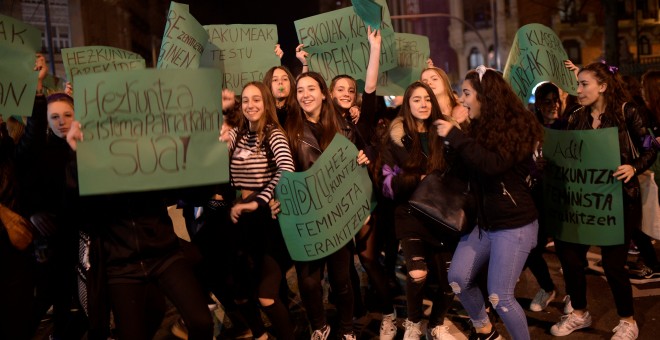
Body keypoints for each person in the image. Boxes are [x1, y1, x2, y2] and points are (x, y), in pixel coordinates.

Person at [550, 62, 657, 339]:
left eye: (584, 84)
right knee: (569, 254)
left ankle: (627, 321)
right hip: (584, 201)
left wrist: (634, 166)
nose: (579, 90)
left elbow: (650, 146)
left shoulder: (627, 112)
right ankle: (579, 313)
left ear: (603, 86)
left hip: (619, 199)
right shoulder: (576, 116)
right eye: (578, 84)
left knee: (612, 263)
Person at [436, 65, 544, 340]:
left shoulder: (518, 127)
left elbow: (492, 164)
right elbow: (465, 171)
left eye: (467, 93)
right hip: (485, 224)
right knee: (459, 279)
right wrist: (451, 144)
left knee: (501, 298)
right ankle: (485, 330)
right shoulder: (477, 128)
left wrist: (456, 136)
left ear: (486, 95)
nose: (461, 99)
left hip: (514, 225)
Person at [281, 71, 369, 340]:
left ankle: (347, 329)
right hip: (307, 217)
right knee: (308, 283)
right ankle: (319, 327)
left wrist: (363, 160)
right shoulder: (289, 129)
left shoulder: (344, 127)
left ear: (323, 93)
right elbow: (283, 170)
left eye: (311, 89)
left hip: (337, 215)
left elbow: (358, 162)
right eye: (300, 90)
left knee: (342, 281)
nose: (305, 94)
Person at [380, 81, 460, 340]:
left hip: (443, 215)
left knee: (452, 278)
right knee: (416, 273)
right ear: (407, 104)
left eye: (427, 99)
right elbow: (387, 184)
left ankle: (436, 324)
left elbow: (462, 172)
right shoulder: (396, 138)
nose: (423, 104)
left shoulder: (446, 133)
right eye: (416, 99)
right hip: (411, 214)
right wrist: (419, 179)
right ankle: (413, 323)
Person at [226, 81, 297, 340]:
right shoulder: (238, 134)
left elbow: (286, 169)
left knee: (266, 295)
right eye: (245, 100)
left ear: (266, 102)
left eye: (256, 99)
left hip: (269, 223)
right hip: (241, 224)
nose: (250, 105)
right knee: (240, 291)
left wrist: (260, 199)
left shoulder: (273, 134)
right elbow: (215, 153)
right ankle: (260, 335)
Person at [524, 82, 562, 313]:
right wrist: (535, 167)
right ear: (538, 104)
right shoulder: (531, 129)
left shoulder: (566, 126)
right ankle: (547, 287)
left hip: (562, 197)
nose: (553, 105)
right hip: (537, 197)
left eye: (556, 100)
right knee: (531, 247)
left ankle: (576, 300)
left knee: (568, 251)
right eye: (547, 101)